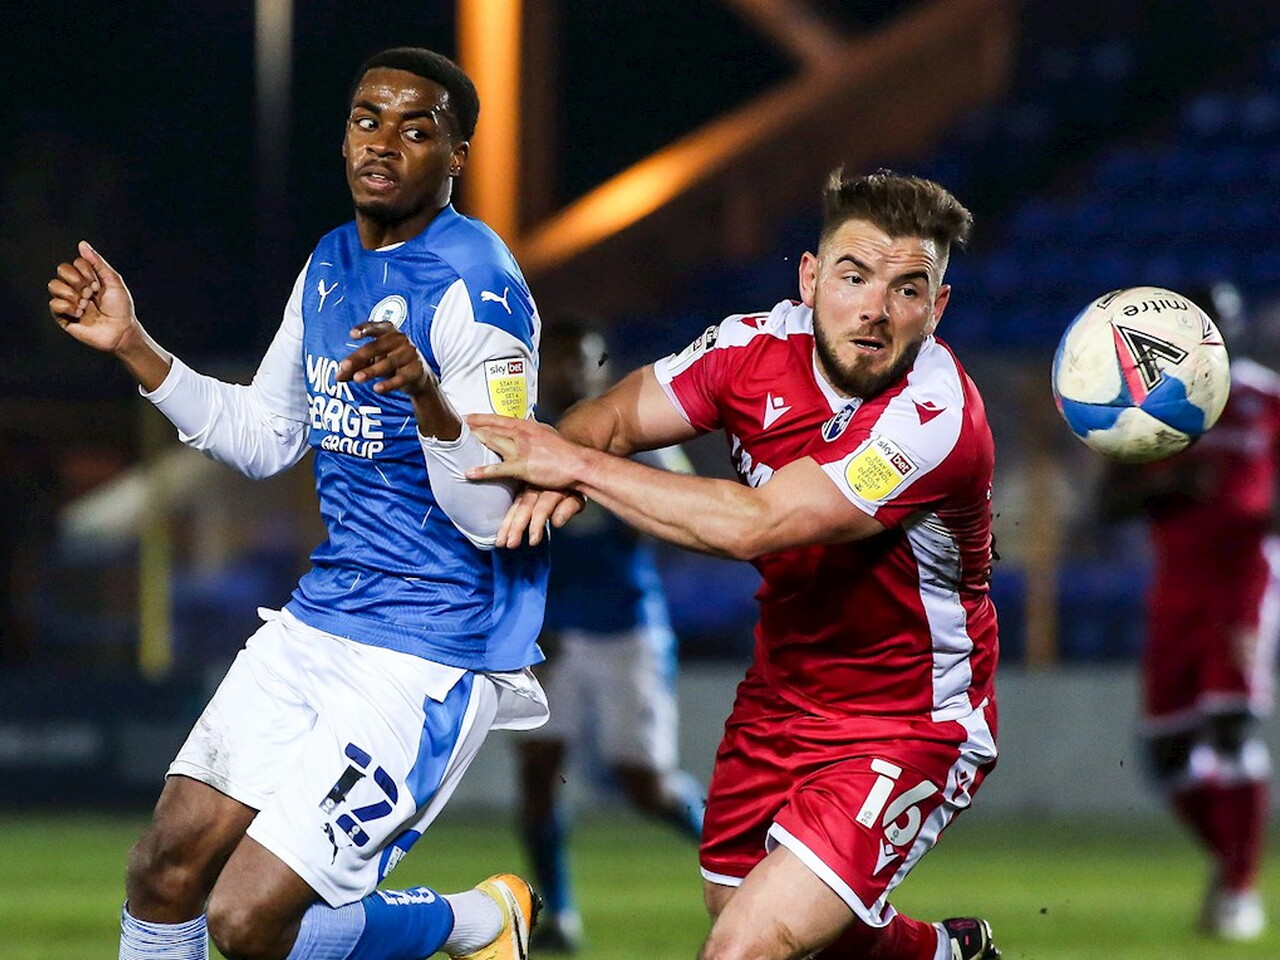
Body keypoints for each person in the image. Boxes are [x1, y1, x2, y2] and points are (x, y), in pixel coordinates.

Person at [47, 47, 549, 960]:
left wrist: (429, 399)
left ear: (456, 156)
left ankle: (477, 921)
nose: (383, 143)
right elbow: (264, 436)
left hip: (431, 650)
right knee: (164, 869)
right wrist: (133, 345)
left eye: (416, 129)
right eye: (367, 120)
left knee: (247, 922)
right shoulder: (329, 261)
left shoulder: (479, 287)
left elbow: (495, 515)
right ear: (344, 138)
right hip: (322, 620)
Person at [468, 169, 1002, 960]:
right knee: (747, 911)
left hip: (908, 720)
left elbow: (758, 526)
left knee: (743, 945)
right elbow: (610, 419)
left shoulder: (935, 415)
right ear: (810, 278)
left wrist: (572, 468)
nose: (876, 309)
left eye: (908, 289)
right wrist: (562, 460)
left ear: (937, 308)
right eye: (854, 277)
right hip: (780, 700)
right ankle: (939, 954)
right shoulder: (747, 349)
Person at [517, 318, 705, 952]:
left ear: (600, 369)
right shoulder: (525, 435)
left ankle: (740, 858)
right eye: (559, 359)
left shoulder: (632, 434)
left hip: (627, 628)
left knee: (645, 785)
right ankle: (558, 916)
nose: (570, 372)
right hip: (553, 640)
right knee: (538, 775)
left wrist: (628, 492)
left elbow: (688, 504)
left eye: (584, 360)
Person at [1100, 281, 1280, 941]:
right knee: (1167, 752)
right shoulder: (1150, 405)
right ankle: (1231, 861)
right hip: (1175, 585)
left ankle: (1239, 891)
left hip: (1244, 580)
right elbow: (1109, 504)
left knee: (1231, 727)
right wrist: (1175, 483)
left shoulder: (1268, 400)